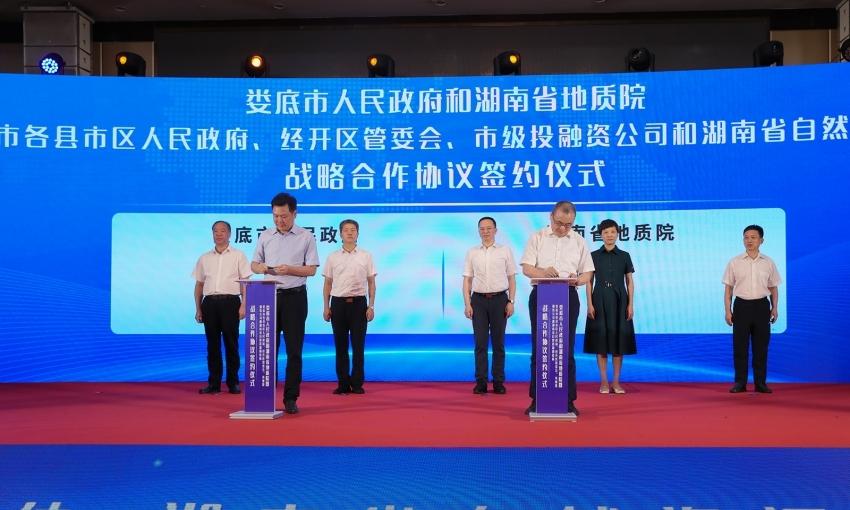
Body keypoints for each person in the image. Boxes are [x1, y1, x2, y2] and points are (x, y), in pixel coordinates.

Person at [520, 201, 594, 416]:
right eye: (559, 223)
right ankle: (536, 399)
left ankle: (568, 400)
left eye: (568, 225)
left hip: (568, 296)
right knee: (540, 348)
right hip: (542, 294)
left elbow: (588, 272)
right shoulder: (537, 237)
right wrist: (543, 272)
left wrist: (578, 279)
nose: (563, 228)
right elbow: (526, 268)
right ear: (551, 216)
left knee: (566, 349)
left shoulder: (578, 241)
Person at [251, 193, 319, 414]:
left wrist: (289, 269)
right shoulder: (265, 236)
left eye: (284, 216)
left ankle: (291, 397)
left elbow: (311, 270)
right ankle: (264, 396)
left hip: (295, 298)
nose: (279, 220)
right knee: (267, 351)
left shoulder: (306, 236)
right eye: (275, 216)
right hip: (267, 297)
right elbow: (254, 264)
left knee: (294, 350)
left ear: (294, 213)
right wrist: (261, 268)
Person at [192, 220, 252, 395]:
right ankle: (214, 384)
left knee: (231, 343)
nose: (219, 234)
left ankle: (233, 382)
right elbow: (199, 285)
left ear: (229, 234)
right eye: (215, 231)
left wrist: (244, 305)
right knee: (212, 345)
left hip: (230, 303)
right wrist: (198, 308)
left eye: (223, 231)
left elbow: (245, 283)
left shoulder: (238, 255)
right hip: (209, 303)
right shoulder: (204, 258)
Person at [723, 225, 782, 394]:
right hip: (741, 306)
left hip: (762, 307)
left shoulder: (768, 262)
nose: (749, 241)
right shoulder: (734, 262)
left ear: (761, 240)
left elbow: (773, 288)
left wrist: (774, 308)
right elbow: (728, 289)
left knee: (761, 348)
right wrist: (727, 311)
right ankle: (740, 383)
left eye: (753, 237)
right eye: (746, 237)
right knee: (740, 347)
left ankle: (760, 383)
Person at [462, 216, 517, 395]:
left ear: (495, 230)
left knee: (498, 343)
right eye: (482, 229)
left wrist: (511, 301)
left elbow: (511, 278)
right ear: (478, 231)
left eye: (489, 228)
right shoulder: (472, 252)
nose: (485, 231)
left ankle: (499, 381)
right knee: (480, 343)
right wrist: (467, 304)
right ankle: (481, 382)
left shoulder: (505, 250)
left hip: (500, 300)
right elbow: (467, 280)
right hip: (478, 301)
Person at [322, 219, 377, 395]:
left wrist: (371, 306)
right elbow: (327, 284)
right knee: (341, 346)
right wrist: (326, 307)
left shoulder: (366, 256)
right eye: (346, 230)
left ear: (358, 233)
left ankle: (358, 383)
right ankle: (343, 383)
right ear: (340, 234)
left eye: (353, 230)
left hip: (359, 304)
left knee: (358, 346)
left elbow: (371, 283)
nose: (350, 233)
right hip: (338, 304)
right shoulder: (332, 257)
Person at [583, 219, 636, 395]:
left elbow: (629, 281)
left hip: (620, 300)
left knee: (619, 343)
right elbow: (589, 281)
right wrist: (589, 304)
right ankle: (604, 382)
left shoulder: (625, 256)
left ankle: (616, 382)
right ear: (600, 235)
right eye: (606, 232)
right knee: (601, 342)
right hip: (599, 299)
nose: (609, 235)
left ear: (618, 234)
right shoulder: (593, 256)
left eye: (612, 232)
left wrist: (630, 304)